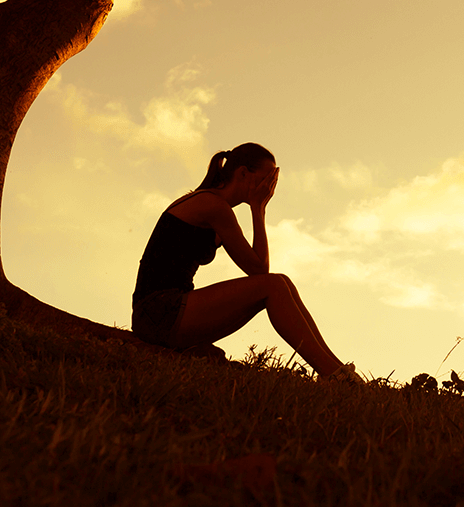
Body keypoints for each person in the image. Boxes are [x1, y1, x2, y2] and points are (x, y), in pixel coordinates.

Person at [130, 142, 359, 381]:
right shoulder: (212, 205)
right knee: (275, 285)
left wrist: (258, 207)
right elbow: (259, 270)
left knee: (283, 283)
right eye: (265, 180)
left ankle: (339, 371)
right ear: (242, 173)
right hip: (158, 311)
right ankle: (334, 375)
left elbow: (259, 267)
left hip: (167, 314)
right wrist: (258, 208)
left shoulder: (218, 210)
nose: (268, 189)